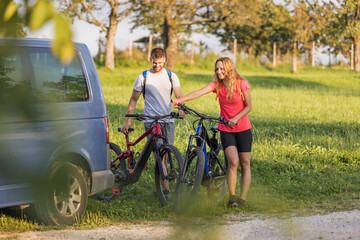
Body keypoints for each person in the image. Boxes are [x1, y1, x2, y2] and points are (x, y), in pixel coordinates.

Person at [172, 57, 252, 207]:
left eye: (221, 69)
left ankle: (243, 198)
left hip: (243, 129)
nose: (218, 71)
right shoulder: (217, 85)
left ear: (229, 69)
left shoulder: (242, 84)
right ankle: (232, 198)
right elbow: (198, 92)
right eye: (216, 69)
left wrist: (235, 118)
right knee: (233, 162)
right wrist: (180, 100)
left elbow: (249, 106)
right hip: (226, 129)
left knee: (245, 163)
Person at [122, 47, 184, 199]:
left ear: (165, 60)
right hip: (151, 121)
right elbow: (134, 99)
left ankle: (161, 188)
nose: (157, 66)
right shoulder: (143, 77)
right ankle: (166, 190)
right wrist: (128, 121)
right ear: (150, 60)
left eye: (160, 63)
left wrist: (182, 109)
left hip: (167, 119)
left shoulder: (171, 76)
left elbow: (179, 96)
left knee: (167, 154)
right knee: (158, 155)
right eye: (154, 63)